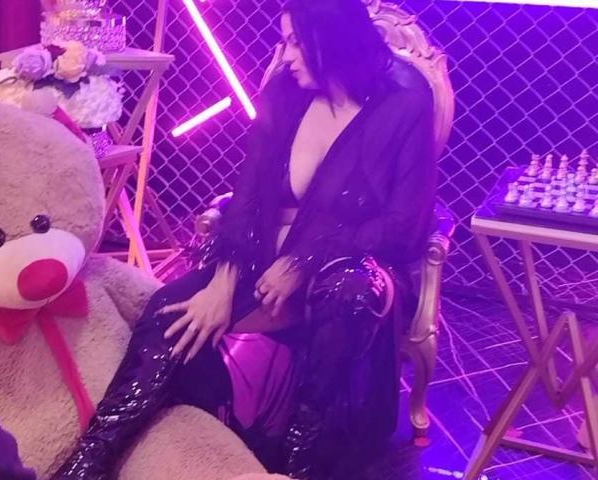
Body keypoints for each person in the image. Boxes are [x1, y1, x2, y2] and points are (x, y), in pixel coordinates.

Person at [53, 0, 436, 478]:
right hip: (264, 254)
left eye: (298, 43)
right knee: (173, 312)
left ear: (335, 40)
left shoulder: (405, 100)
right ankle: (91, 458)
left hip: (358, 264)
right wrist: (223, 280)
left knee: (349, 290)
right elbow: (249, 194)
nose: (285, 56)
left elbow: (405, 225)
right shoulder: (285, 91)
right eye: (284, 40)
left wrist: (305, 262)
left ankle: (300, 463)